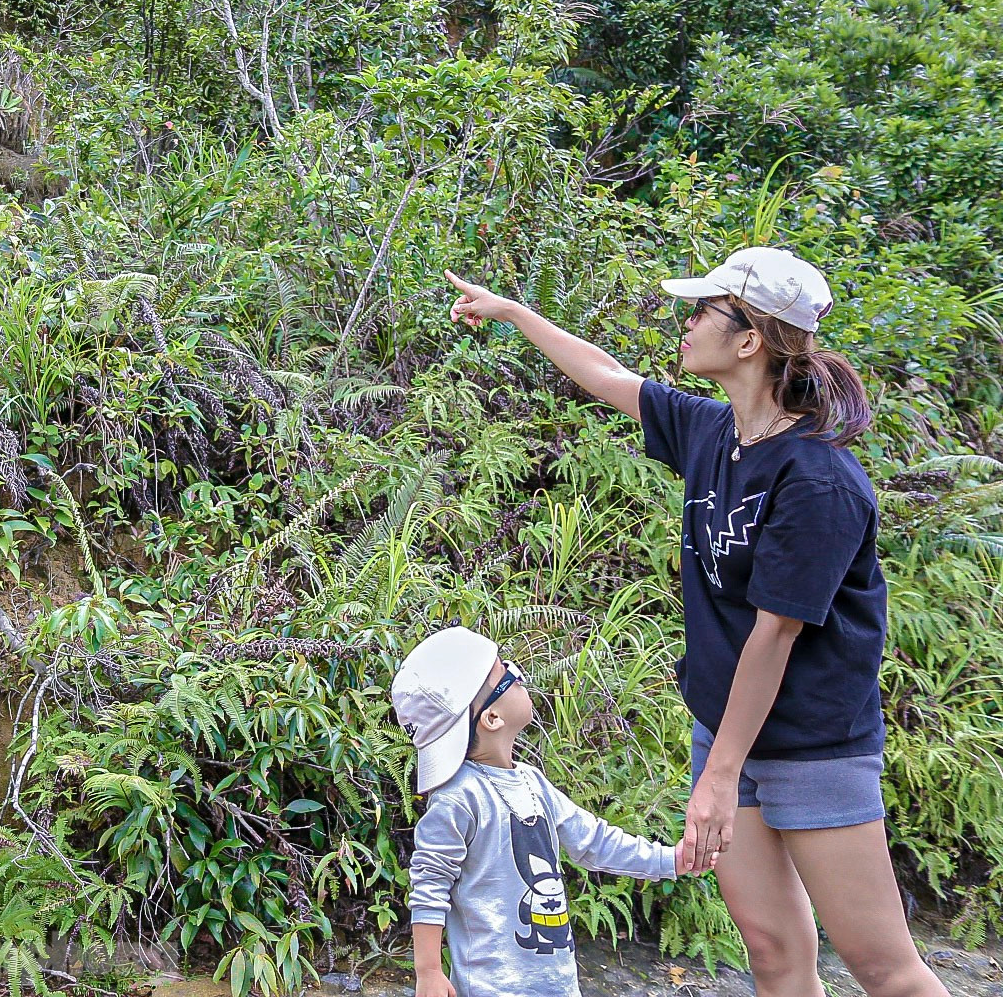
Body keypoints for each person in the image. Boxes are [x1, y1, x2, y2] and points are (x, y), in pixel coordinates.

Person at [444, 247, 948, 997]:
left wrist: (716, 781)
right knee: (775, 953)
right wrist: (515, 313)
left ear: (748, 339)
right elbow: (609, 376)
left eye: (701, 312)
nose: (684, 324)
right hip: (726, 729)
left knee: (883, 969)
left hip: (814, 744)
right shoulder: (714, 432)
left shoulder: (819, 481)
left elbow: (773, 638)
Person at [392, 626, 690, 997]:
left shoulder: (533, 783)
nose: (519, 675)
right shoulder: (459, 798)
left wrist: (671, 860)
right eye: (507, 673)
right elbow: (430, 883)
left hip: (557, 984)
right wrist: (429, 972)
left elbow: (593, 840)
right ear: (492, 718)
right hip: (493, 988)